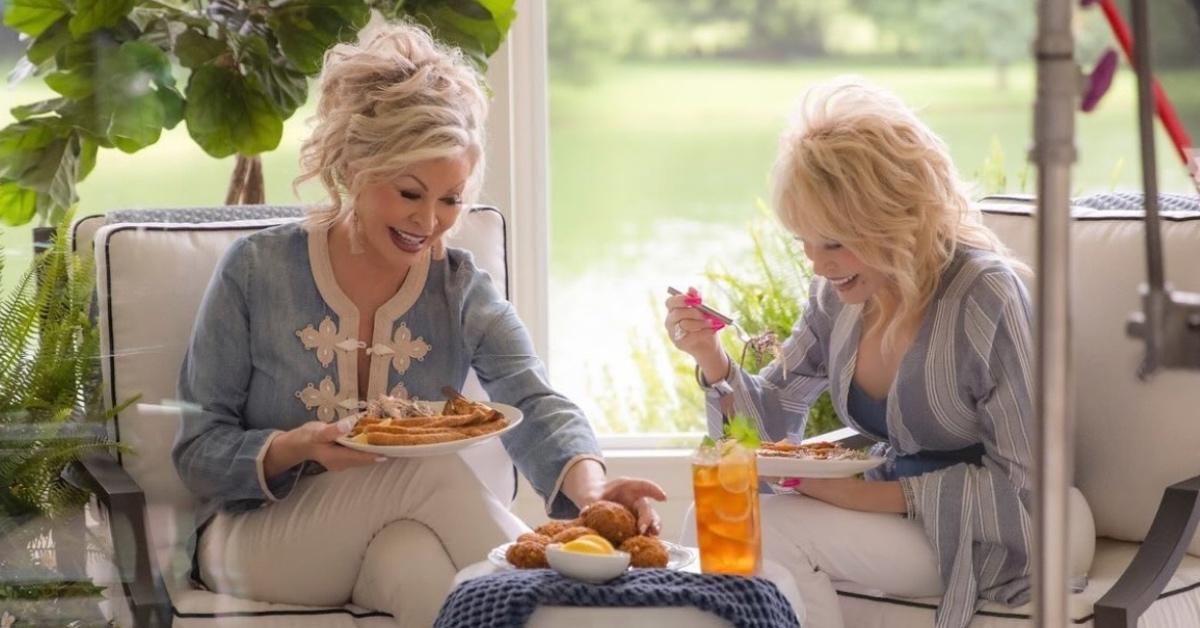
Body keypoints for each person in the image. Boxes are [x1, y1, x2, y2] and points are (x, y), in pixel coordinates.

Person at [173, 20, 664, 626]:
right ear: (356, 169)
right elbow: (196, 450)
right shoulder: (255, 271)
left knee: (432, 583)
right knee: (429, 473)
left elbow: (531, 401)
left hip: (383, 538)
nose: (430, 220)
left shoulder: (458, 286)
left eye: (451, 199)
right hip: (251, 543)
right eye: (410, 193)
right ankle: (577, 605)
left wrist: (591, 493)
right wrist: (297, 446)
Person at [665, 79, 1092, 628]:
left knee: (764, 531)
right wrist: (713, 359)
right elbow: (771, 428)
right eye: (804, 242)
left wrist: (854, 496)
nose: (817, 265)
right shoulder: (840, 297)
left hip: (1017, 526)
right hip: (904, 513)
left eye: (835, 242)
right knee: (709, 519)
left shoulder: (985, 296)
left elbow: (1030, 483)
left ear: (895, 219)